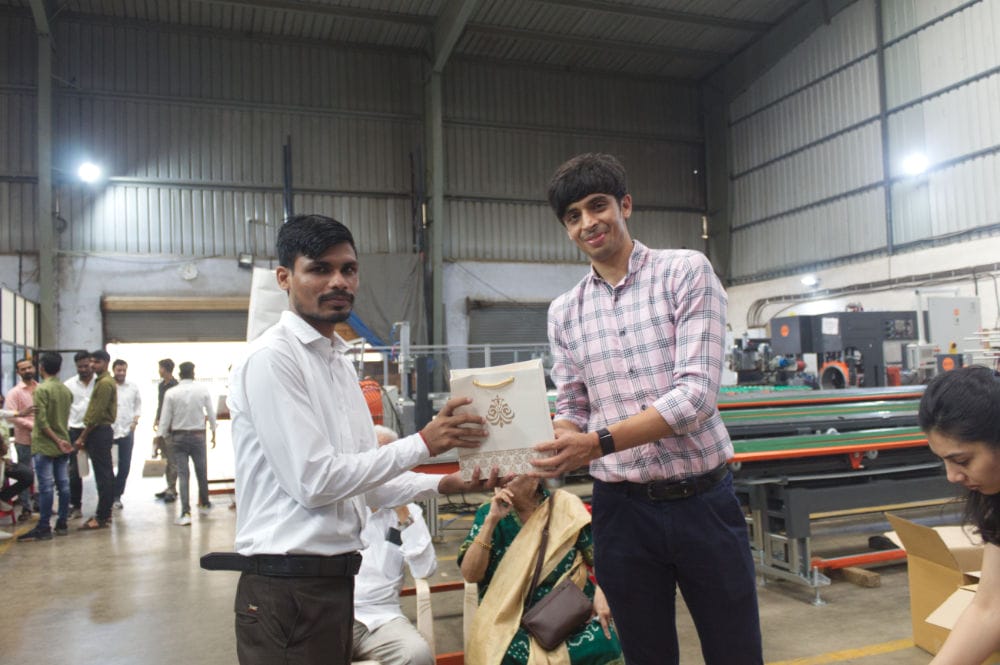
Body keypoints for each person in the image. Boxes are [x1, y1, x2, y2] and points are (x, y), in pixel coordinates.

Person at [216, 213, 499, 665]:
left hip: (334, 582)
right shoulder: (273, 360)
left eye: (348, 269)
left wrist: (444, 485)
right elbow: (316, 481)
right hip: (286, 588)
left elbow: (362, 483)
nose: (339, 281)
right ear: (285, 278)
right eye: (320, 269)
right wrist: (424, 443)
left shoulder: (338, 363)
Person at [531, 153, 762, 665]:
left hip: (702, 502)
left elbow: (695, 398)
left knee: (735, 650)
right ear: (566, 228)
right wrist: (556, 440)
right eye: (573, 216)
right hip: (621, 511)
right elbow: (570, 401)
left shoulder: (684, 272)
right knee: (646, 654)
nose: (588, 223)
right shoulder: (565, 312)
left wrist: (594, 443)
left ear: (625, 205)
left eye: (598, 206)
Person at [458, 474, 622, 665]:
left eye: (514, 473)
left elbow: (601, 560)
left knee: (604, 640)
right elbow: (470, 574)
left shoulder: (565, 506)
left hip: (573, 618)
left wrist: (602, 590)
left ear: (535, 479)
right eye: (502, 474)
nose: (505, 479)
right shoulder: (489, 512)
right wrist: (491, 522)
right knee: (502, 656)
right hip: (512, 624)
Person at [918, 365, 1000, 664]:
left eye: (962, 460)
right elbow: (991, 607)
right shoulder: (995, 498)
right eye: (945, 462)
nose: (952, 476)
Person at [352, 425, 438, 665]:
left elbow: (425, 570)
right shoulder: (344, 508)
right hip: (338, 613)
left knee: (417, 655)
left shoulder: (408, 514)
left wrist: (403, 510)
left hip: (383, 617)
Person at [18, 352, 74, 542]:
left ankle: (44, 527)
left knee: (46, 487)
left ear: (41, 368)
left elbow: (41, 422)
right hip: (63, 443)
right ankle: (62, 523)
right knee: (63, 485)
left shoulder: (41, 390)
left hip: (45, 444)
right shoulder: (66, 390)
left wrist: (56, 441)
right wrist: (61, 440)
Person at [158, 360, 217, 526]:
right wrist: (213, 431)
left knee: (183, 475)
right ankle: (205, 503)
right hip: (199, 436)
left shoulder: (171, 393)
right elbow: (211, 413)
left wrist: (159, 437)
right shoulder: (202, 390)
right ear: (193, 373)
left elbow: (165, 418)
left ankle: (185, 512)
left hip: (178, 438)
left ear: (179, 374)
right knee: (201, 470)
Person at [75, 349, 117, 531]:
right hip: (100, 431)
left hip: (99, 431)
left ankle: (102, 516)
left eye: (96, 362)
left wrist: (83, 436)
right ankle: (104, 513)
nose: (92, 365)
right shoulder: (102, 381)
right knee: (104, 474)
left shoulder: (105, 383)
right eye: (91, 362)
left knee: (103, 476)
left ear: (106, 363)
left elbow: (97, 414)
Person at [7, 357, 38, 521]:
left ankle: (39, 503)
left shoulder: (39, 389)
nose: (27, 371)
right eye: (23, 369)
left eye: (29, 367)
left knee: (41, 474)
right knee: (26, 474)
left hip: (42, 439)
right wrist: (31, 425)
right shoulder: (14, 393)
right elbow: (11, 417)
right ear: (18, 372)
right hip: (24, 440)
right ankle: (26, 508)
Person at [65, 350, 94, 519]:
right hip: (75, 431)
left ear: (91, 363)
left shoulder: (100, 383)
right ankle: (76, 506)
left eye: (86, 365)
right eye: (80, 366)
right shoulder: (69, 385)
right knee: (75, 471)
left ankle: (105, 507)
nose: (83, 369)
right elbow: (65, 408)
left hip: (96, 430)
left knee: (102, 469)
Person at [111, 359, 141, 510]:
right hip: (109, 431)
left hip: (127, 431)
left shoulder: (132, 387)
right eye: (118, 370)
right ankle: (107, 494)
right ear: (113, 370)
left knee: (125, 465)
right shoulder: (107, 386)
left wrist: (135, 422)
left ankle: (117, 496)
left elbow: (138, 406)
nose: (121, 373)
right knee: (108, 465)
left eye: (123, 370)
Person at [153, 358, 179, 502]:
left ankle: (173, 488)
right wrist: (157, 418)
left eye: (160, 368)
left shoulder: (175, 386)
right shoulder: (162, 385)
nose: (159, 370)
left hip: (171, 427)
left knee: (172, 458)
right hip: (162, 425)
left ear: (165, 369)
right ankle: (169, 486)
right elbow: (160, 404)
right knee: (165, 458)